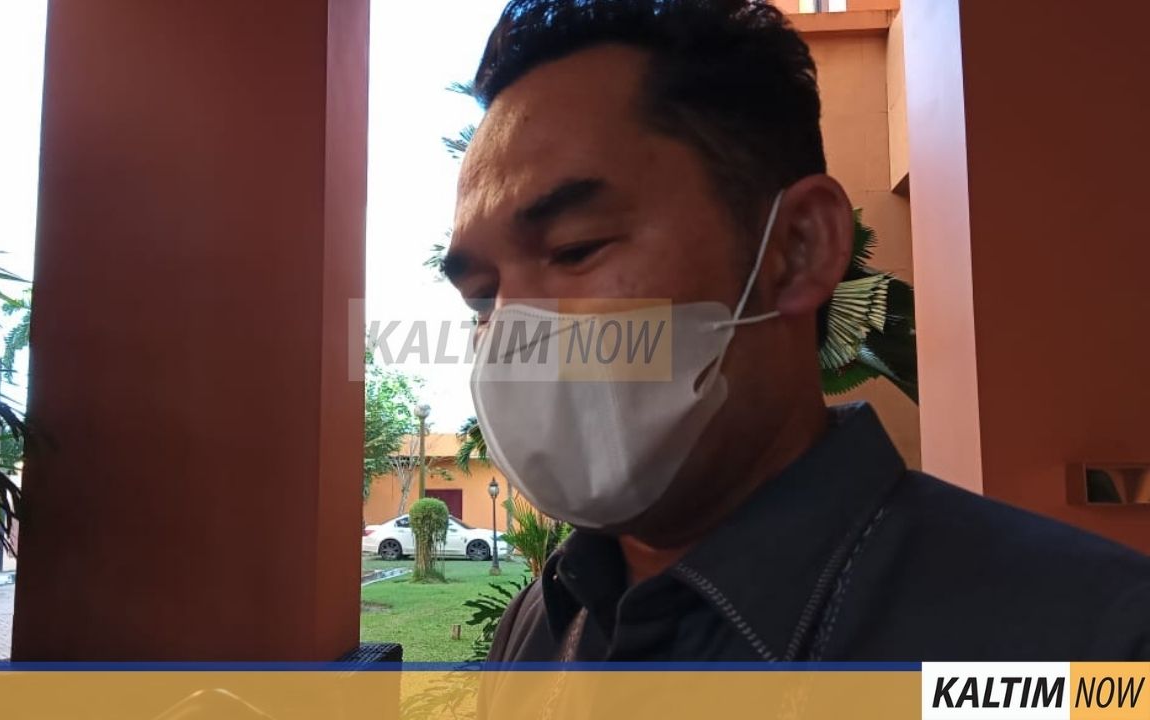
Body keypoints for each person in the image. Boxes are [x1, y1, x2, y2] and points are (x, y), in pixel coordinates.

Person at [440, 0, 1150, 664]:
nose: (513, 336)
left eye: (575, 248)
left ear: (799, 248)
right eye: (482, 298)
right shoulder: (540, 625)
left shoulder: (1089, 646)